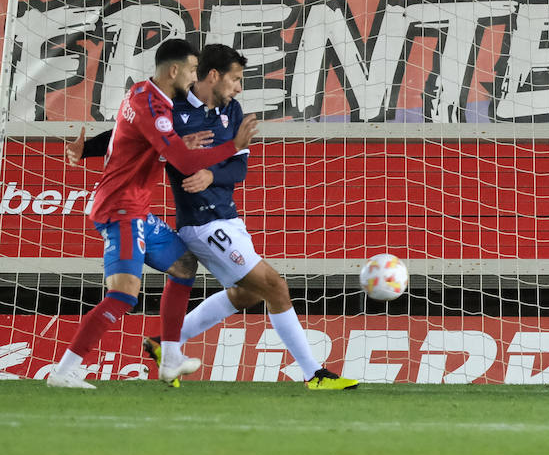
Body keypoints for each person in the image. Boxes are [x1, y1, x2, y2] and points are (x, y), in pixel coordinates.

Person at [69, 44, 357, 390]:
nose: (239, 88)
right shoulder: (171, 108)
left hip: (228, 217)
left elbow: (240, 167)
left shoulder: (232, 111)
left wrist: (212, 175)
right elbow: (128, 135)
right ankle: (315, 374)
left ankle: (164, 343)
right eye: (235, 79)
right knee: (275, 286)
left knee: (247, 295)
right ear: (213, 76)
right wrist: (85, 149)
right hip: (202, 224)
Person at [46, 39, 257, 389]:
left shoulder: (145, 94)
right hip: (121, 207)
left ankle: (171, 356)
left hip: (136, 207)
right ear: (174, 70)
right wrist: (230, 147)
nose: (194, 77)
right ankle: (64, 371)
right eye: (192, 70)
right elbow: (184, 162)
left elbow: (128, 136)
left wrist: (86, 150)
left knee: (184, 266)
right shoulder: (154, 106)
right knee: (124, 294)